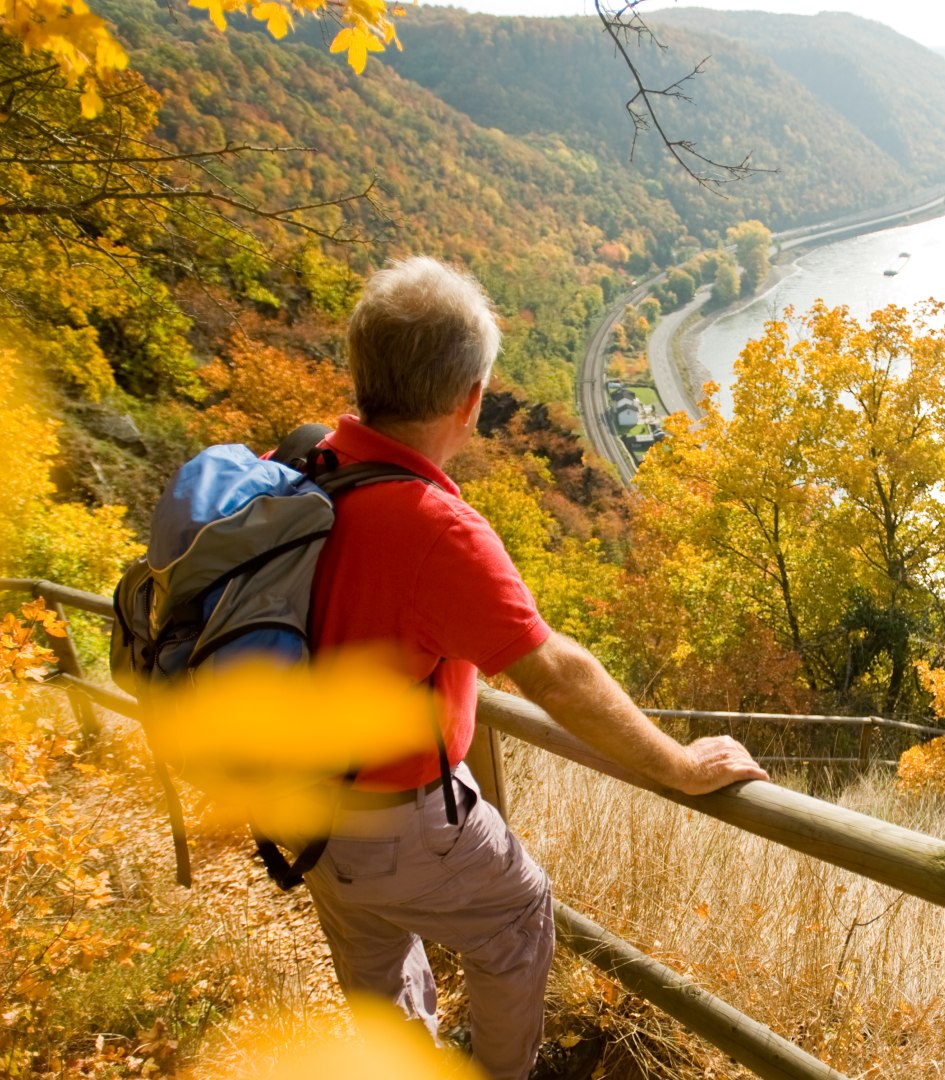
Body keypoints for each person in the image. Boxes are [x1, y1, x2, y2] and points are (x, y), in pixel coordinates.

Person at [301, 256, 769, 1079]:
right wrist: (681, 766)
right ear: (471, 399)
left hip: (302, 800)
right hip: (397, 815)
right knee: (517, 916)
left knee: (373, 951)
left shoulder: (303, 469)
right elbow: (553, 673)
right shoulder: (434, 527)